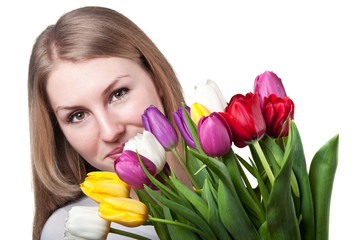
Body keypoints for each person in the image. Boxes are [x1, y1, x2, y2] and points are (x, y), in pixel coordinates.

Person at [28, 6, 189, 240]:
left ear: (157, 80)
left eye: (118, 93)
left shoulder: (247, 196)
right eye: (78, 116)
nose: (110, 132)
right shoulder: (70, 230)